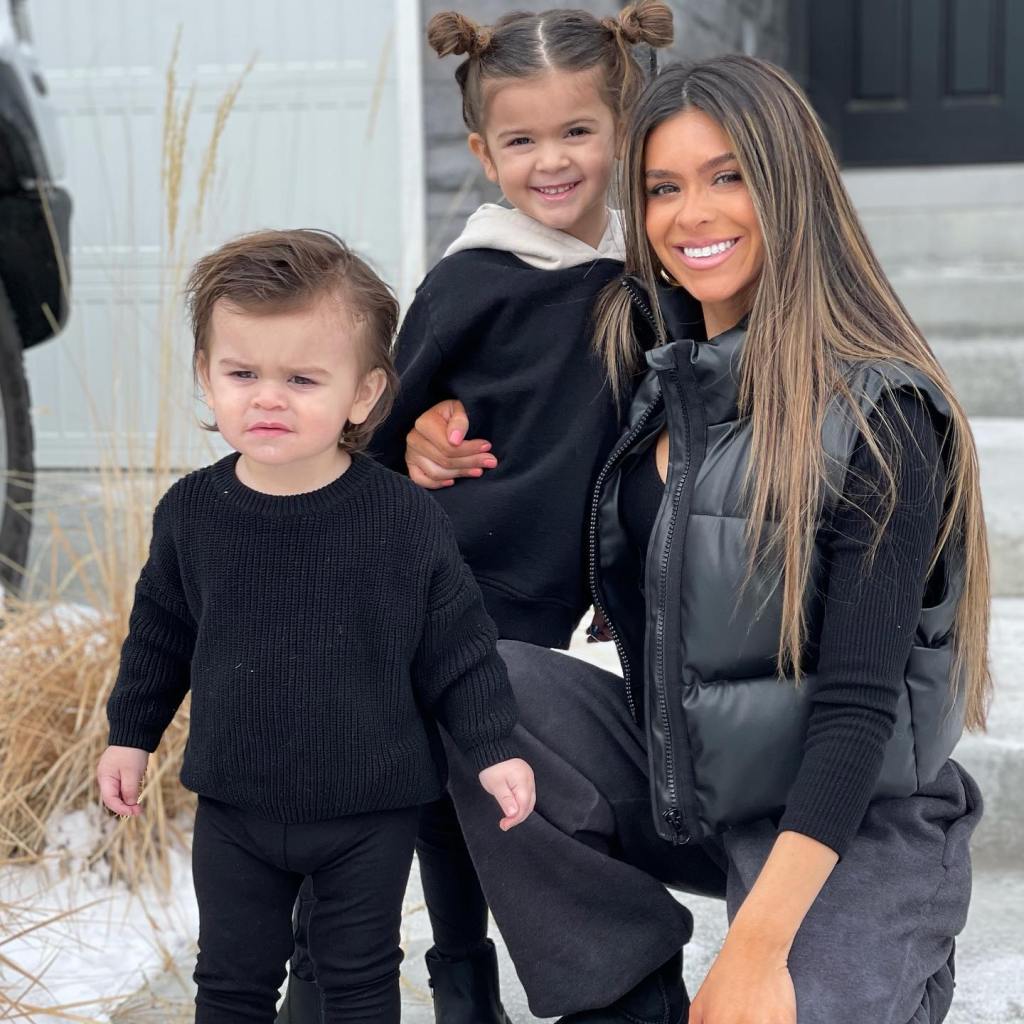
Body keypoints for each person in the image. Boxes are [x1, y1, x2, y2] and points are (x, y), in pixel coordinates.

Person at [413, 57, 990, 1024]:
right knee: (482, 682)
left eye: (728, 176)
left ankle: (895, 960)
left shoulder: (877, 413)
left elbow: (857, 709)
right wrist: (426, 429)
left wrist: (755, 953)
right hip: (687, 779)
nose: (692, 214)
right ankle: (625, 998)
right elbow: (510, 422)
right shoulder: (651, 368)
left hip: (851, 817)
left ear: (790, 187)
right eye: (662, 187)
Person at [275, 6, 674, 1023]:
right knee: (399, 795)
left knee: (472, 791)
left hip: (541, 599)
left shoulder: (647, 276)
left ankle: (466, 979)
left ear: (623, 127)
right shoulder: (472, 281)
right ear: (483, 154)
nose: (553, 159)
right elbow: (368, 428)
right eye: (522, 139)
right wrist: (414, 438)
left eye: (576, 130)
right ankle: (339, 989)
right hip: (435, 584)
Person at [95, 229, 535, 1024]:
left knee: (357, 983)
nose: (268, 398)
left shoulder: (402, 519)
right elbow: (160, 635)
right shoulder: (193, 514)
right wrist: (131, 733)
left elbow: (458, 648)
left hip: (370, 811)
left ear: (363, 395)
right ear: (206, 375)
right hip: (235, 805)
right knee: (230, 983)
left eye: (301, 378)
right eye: (243, 373)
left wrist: (493, 747)